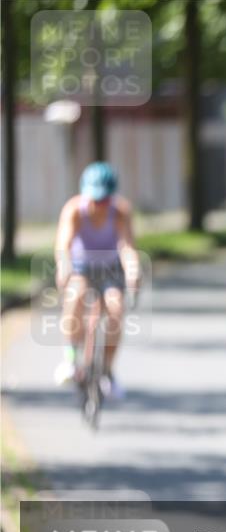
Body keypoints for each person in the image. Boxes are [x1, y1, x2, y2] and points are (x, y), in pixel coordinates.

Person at [53, 162, 141, 399]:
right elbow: (63, 244)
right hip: (82, 267)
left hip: (110, 269)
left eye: (103, 200)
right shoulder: (74, 211)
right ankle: (70, 359)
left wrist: (133, 271)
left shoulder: (120, 212)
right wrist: (64, 267)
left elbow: (127, 247)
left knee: (116, 308)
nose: (98, 205)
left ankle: (107, 371)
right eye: (94, 199)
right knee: (76, 296)